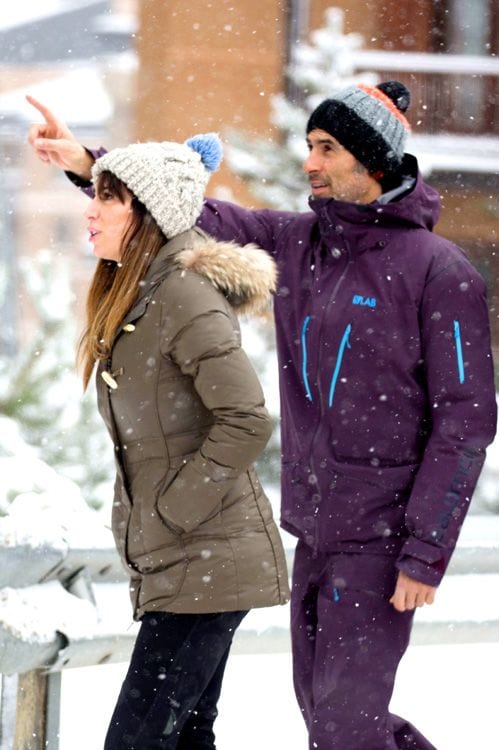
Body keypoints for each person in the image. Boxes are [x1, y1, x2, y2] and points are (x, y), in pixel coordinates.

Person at [27, 81, 497, 750]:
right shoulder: (301, 241)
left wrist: (424, 550)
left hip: (382, 539)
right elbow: (183, 211)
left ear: (374, 161)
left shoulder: (438, 272)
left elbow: (465, 421)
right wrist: (88, 164)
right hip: (313, 529)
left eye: (327, 148)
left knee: (344, 725)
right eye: (308, 146)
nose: (309, 162)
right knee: (325, 719)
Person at [28, 122, 290, 749]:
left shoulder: (184, 296)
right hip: (187, 563)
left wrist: (172, 511)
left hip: (206, 561)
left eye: (107, 198)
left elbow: (247, 417)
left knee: (138, 741)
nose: (89, 211)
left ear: (148, 215)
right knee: (186, 738)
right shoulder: (145, 292)